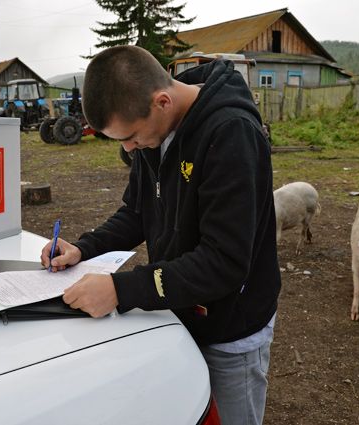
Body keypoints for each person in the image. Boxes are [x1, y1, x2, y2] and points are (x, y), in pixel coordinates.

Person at [41, 45, 281, 425]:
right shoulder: (156, 129)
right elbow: (137, 213)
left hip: (230, 327)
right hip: (179, 311)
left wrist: (121, 289)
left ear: (163, 101)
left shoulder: (231, 134)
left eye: (132, 137)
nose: (128, 148)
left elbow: (225, 263)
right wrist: (84, 248)